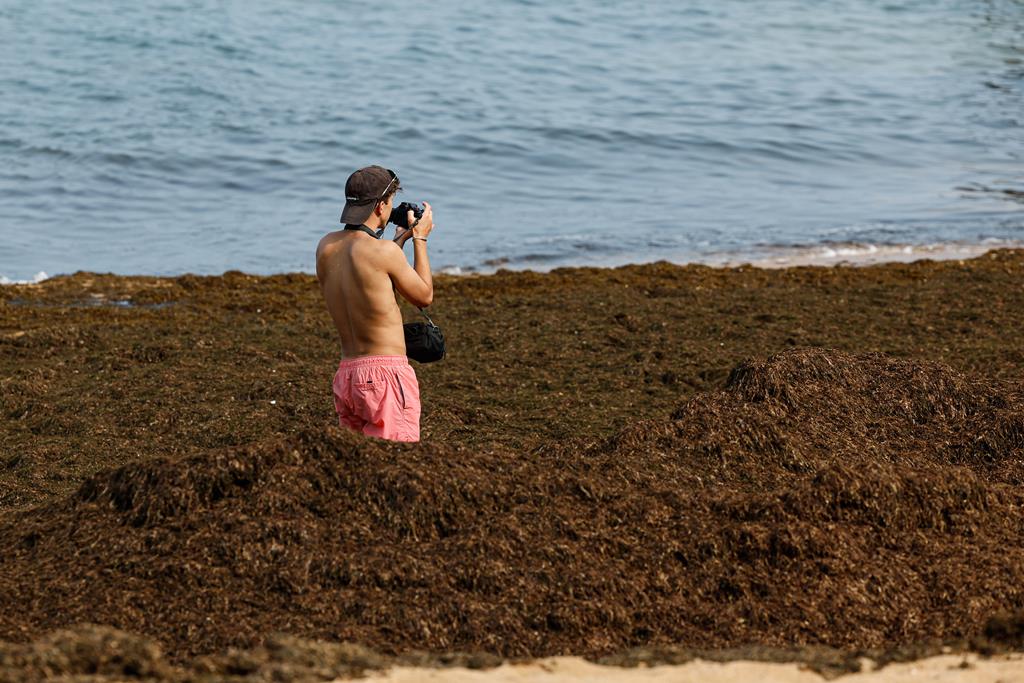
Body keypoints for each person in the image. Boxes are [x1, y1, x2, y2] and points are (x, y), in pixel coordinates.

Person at [315, 166, 435, 442]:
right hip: (386, 376)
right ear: (382, 206)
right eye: (390, 203)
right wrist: (420, 239)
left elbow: (371, 288)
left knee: (359, 466)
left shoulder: (326, 247)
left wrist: (397, 242)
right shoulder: (384, 253)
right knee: (397, 464)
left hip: (347, 376)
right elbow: (424, 295)